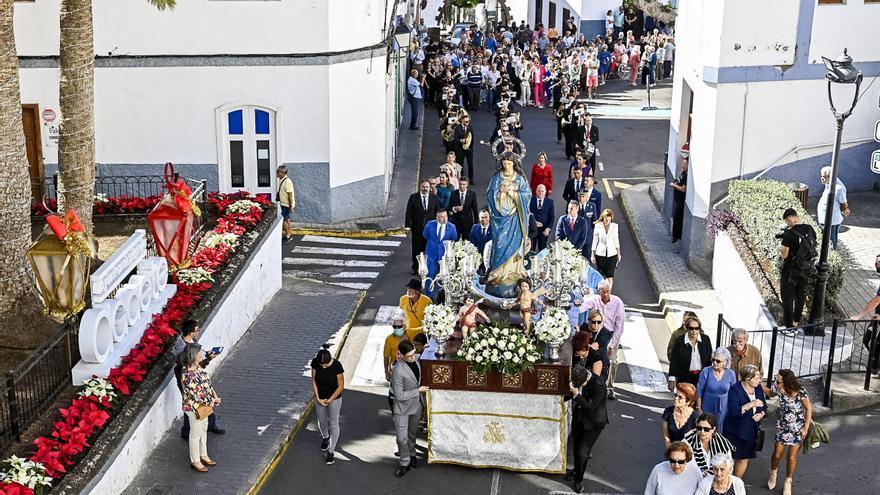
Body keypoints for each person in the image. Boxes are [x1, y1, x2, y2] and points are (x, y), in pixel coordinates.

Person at [485, 151, 531, 298]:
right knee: (500, 244)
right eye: (504, 164)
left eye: (509, 164)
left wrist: (511, 192)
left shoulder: (519, 179)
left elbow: (527, 196)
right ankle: (498, 272)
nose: (507, 166)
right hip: (500, 219)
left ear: (514, 164)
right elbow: (490, 194)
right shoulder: (496, 178)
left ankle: (514, 271)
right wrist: (500, 194)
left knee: (515, 244)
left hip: (515, 218)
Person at [173, 320, 223, 439]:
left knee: (203, 399)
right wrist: (208, 359)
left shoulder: (190, 341)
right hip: (188, 378)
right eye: (196, 330)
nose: (198, 331)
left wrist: (206, 355)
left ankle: (210, 424)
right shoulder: (182, 348)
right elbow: (193, 365)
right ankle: (186, 431)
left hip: (195, 375)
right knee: (190, 403)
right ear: (191, 332)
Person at [766, 369, 812, 494]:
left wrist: (805, 428)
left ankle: (788, 482)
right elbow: (770, 393)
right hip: (782, 428)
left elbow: (808, 409)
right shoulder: (778, 388)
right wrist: (758, 384)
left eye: (779, 381)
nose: (776, 382)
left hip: (798, 429)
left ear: (787, 382)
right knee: (777, 455)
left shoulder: (800, 391)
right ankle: (773, 472)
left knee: (791, 458)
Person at [565, 365, 608, 493]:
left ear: (586, 378)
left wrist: (577, 395)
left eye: (581, 384)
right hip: (579, 418)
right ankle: (576, 470)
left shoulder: (599, 385)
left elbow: (590, 408)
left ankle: (578, 480)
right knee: (576, 445)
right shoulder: (579, 376)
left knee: (583, 452)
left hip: (593, 422)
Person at [179, 343, 220, 473]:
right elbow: (197, 395)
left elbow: (208, 385)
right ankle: (195, 460)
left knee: (203, 429)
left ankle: (204, 455)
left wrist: (215, 396)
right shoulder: (187, 375)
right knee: (195, 434)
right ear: (193, 356)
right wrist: (213, 401)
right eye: (199, 353)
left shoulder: (199, 369)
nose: (201, 354)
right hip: (194, 408)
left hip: (205, 406)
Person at [391, 340, 430, 478]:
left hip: (416, 406)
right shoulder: (398, 370)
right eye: (409, 356)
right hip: (402, 408)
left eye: (413, 354)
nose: (412, 358)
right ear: (401, 355)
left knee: (412, 434)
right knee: (402, 438)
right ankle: (404, 463)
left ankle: (412, 456)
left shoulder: (418, 359)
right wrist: (417, 390)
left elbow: (425, 354)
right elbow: (399, 395)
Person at [582, 280, 625, 399]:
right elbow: (583, 305)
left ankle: (610, 387)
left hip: (610, 334)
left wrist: (611, 345)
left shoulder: (618, 303)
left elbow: (619, 327)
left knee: (611, 361)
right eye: (603, 292)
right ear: (599, 292)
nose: (605, 295)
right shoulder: (595, 299)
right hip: (597, 333)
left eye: (607, 292)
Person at [723, 364, 767, 477]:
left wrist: (761, 414)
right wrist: (751, 404)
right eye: (756, 378)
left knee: (744, 459)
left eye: (759, 377)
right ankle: (725, 484)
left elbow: (763, 406)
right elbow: (734, 411)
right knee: (729, 460)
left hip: (750, 431)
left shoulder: (758, 388)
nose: (759, 380)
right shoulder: (735, 389)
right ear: (747, 378)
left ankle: (737, 483)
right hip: (735, 430)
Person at [779, 208, 817, 329]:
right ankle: (796, 322)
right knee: (800, 296)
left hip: (791, 271)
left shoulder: (789, 234)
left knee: (788, 299)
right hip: (805, 268)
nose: (787, 224)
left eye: (787, 221)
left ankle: (789, 327)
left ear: (790, 219)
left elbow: (784, 254)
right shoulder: (809, 228)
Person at [311, 343, 344, 465]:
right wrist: (318, 397)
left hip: (334, 398)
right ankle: (325, 437)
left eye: (326, 365)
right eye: (321, 365)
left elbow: (341, 386)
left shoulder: (337, 366)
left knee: (334, 423)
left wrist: (330, 399)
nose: (323, 367)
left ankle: (331, 451)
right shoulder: (315, 363)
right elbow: (314, 380)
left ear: (330, 360)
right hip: (320, 398)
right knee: (322, 421)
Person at [696, 348, 737, 431]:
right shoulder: (706, 371)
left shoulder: (730, 374)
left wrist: (732, 409)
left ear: (725, 362)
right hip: (707, 407)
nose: (714, 362)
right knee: (706, 429)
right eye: (713, 360)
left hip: (724, 409)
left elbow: (734, 393)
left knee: (720, 431)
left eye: (718, 361)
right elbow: (699, 390)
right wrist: (699, 408)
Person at [405, 180, 439, 275]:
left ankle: (428, 267)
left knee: (428, 249)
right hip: (417, 228)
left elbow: (438, 212)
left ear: (429, 188)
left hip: (430, 229)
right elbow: (409, 212)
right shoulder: (413, 197)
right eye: (423, 187)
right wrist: (407, 226)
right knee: (417, 248)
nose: (425, 189)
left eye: (427, 187)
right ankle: (415, 267)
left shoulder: (434, 198)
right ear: (420, 187)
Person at [669, 318, 713, 386]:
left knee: (699, 396)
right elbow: (674, 360)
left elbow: (709, 359)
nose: (694, 331)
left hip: (701, 377)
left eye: (696, 328)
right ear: (687, 329)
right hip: (684, 378)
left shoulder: (705, 339)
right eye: (691, 328)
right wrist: (672, 377)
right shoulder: (680, 341)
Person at [817, 165, 851, 250]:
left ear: (830, 177)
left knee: (830, 242)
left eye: (824, 177)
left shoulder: (838, 188)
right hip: (825, 219)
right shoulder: (828, 184)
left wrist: (845, 210)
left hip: (831, 221)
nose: (822, 179)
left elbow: (844, 203)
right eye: (821, 176)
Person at [591, 209, 621, 289]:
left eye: (608, 218)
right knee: (600, 276)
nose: (606, 220)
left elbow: (616, 240)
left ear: (611, 218)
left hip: (612, 255)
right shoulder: (598, 226)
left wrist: (618, 253)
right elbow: (595, 240)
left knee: (609, 276)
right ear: (603, 218)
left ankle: (608, 294)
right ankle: (601, 293)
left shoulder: (615, 226)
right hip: (600, 254)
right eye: (605, 218)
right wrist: (592, 254)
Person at [384, 311, 408, 387]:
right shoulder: (389, 339)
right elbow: (386, 357)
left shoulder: (409, 335)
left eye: (399, 327)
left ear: (404, 326)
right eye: (395, 327)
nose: (397, 329)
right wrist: (386, 372)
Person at [530, 184, 555, 252]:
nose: (541, 193)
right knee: (531, 250)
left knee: (542, 250)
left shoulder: (550, 202)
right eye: (539, 191)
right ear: (536, 191)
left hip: (544, 231)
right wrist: (534, 222)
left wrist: (548, 229)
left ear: (545, 192)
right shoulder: (531, 200)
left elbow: (552, 217)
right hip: (532, 230)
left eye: (542, 191)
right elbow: (528, 214)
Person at [668, 158, 687, 250]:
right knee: (676, 217)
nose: (682, 166)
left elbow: (684, 189)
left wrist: (674, 185)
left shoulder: (686, 176)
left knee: (677, 217)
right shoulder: (683, 173)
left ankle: (676, 236)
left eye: (684, 164)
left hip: (680, 200)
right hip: (677, 199)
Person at [275, 165, 296, 243]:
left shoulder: (287, 181)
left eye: (278, 171)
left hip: (287, 204)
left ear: (282, 172)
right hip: (284, 204)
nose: (276, 173)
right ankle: (289, 233)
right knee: (287, 219)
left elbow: (290, 195)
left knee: (283, 219)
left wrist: (291, 206)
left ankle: (288, 235)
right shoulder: (282, 180)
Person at [453, 115, 476, 183]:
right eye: (466, 121)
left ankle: (471, 179)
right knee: (460, 165)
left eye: (468, 121)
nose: (467, 123)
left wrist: (470, 147)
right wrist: (462, 140)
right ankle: (461, 179)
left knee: (470, 164)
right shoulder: (457, 128)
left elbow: (472, 138)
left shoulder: (470, 128)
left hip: (469, 150)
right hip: (460, 149)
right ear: (462, 121)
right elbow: (456, 139)